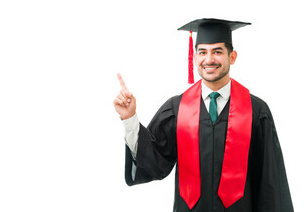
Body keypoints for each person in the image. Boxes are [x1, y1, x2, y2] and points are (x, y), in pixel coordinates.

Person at [113, 18, 293, 212]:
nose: (209, 60)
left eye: (217, 52)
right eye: (202, 52)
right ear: (195, 58)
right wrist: (130, 118)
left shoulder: (256, 111)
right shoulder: (177, 108)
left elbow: (270, 180)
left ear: (232, 57)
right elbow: (152, 161)